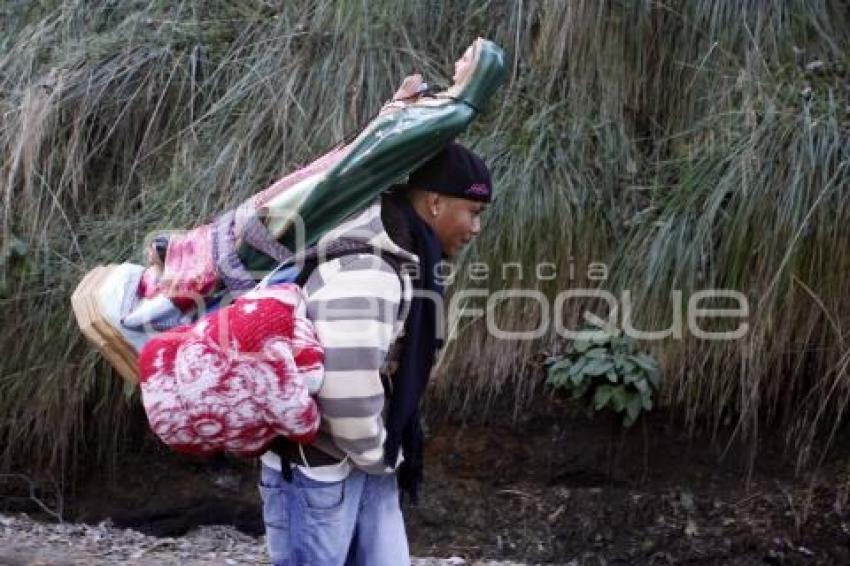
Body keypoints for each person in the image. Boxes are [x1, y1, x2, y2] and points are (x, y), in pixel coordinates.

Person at [258, 142, 492, 565]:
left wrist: (380, 455)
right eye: (473, 212)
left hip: (358, 461)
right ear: (436, 203)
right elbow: (344, 385)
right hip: (325, 471)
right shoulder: (370, 268)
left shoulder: (401, 253)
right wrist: (377, 454)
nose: (476, 228)